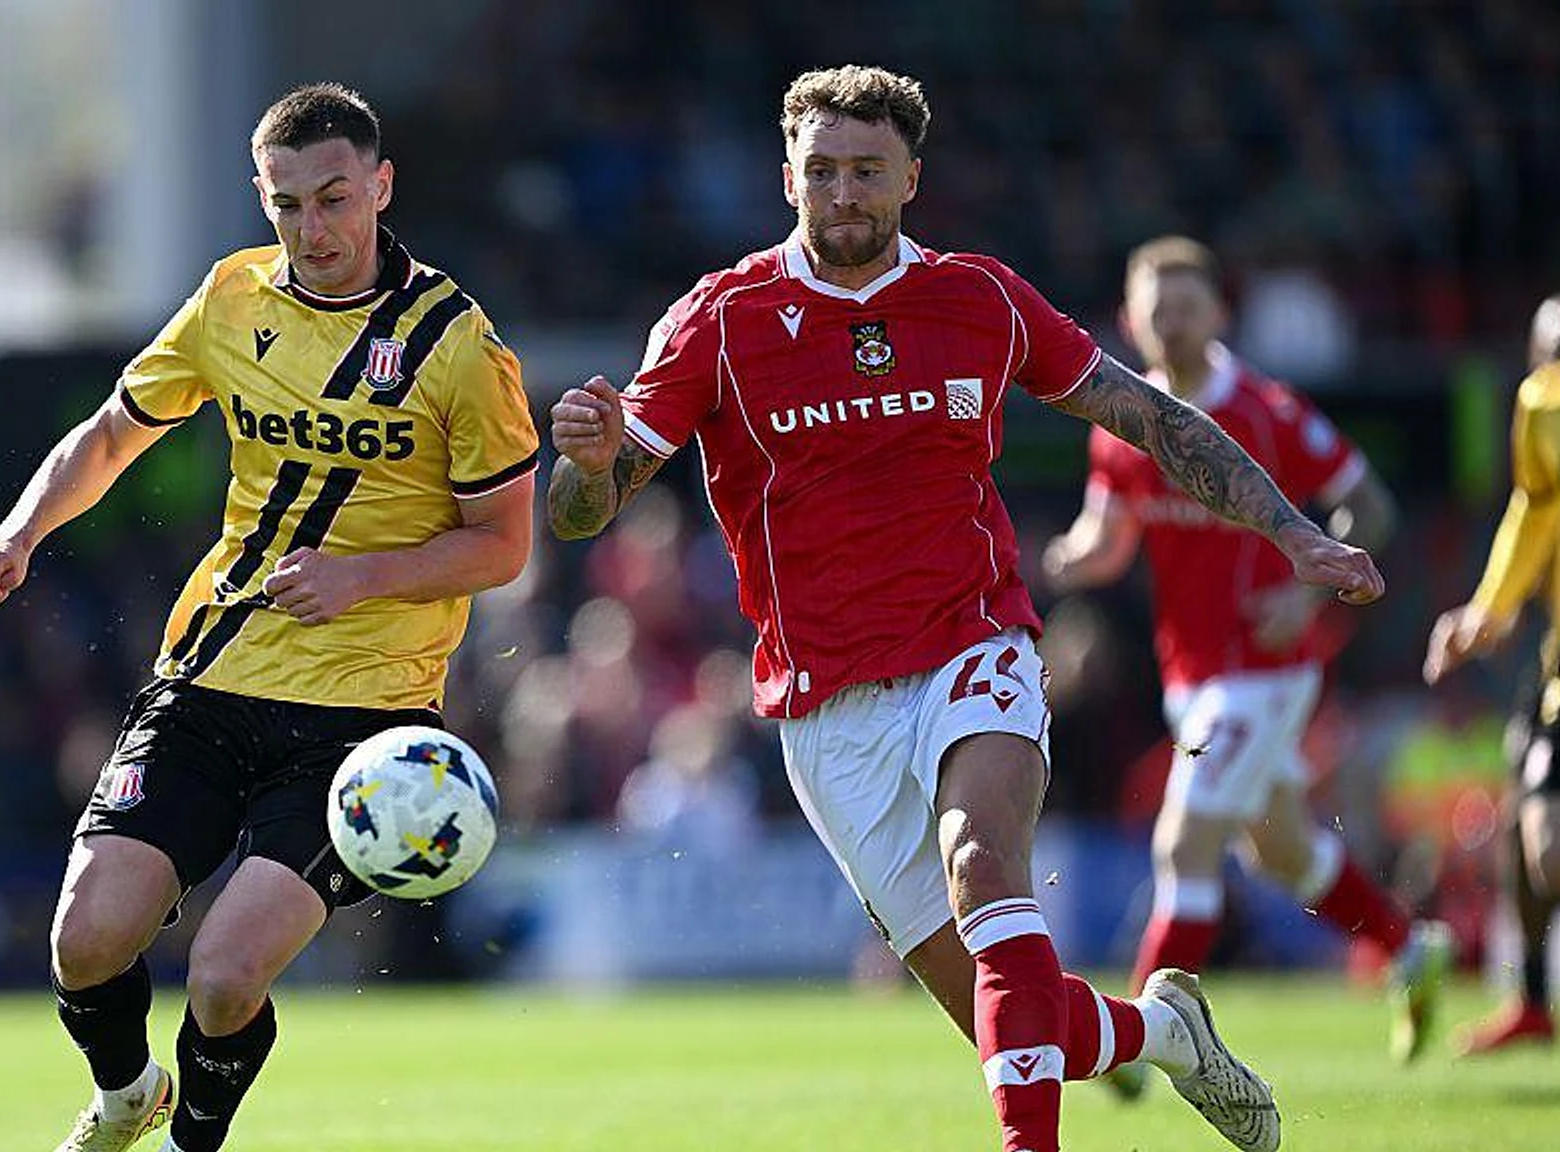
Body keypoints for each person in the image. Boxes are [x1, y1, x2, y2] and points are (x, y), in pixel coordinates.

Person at [549, 65, 1383, 1152]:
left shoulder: (978, 298)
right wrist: (586, 467)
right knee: (1013, 1015)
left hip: (972, 644)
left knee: (983, 866)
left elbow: (1148, 416)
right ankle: (1167, 1034)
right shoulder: (720, 319)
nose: (842, 192)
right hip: (822, 705)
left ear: (911, 178)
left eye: (866, 171)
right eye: (820, 171)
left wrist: (1293, 532)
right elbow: (585, 512)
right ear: (786, 178)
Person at [0, 83, 538, 1152]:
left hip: (361, 719)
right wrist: (20, 534)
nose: (312, 229)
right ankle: (127, 1096)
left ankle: (193, 1141)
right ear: (261, 197)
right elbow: (111, 433)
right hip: (207, 678)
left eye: (334, 199)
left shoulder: (457, 344)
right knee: (85, 942)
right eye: (286, 204)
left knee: (224, 978)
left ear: (381, 186)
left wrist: (360, 579)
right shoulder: (232, 297)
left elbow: (503, 543)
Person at [1041, 237, 1453, 1081]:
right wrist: (1067, 558)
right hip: (1189, 677)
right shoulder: (1123, 420)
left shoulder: (1266, 410)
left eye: (1188, 307)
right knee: (1283, 852)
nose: (1173, 324)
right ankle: (1410, 946)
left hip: (1267, 673)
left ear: (1219, 313)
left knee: (1183, 843)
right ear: (1131, 320)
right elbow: (1108, 538)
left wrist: (1308, 595)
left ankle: (1141, 1038)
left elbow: (1369, 505)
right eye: (1158, 310)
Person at [1427, 216, 1560, 1058]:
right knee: (1553, 855)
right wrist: (1487, 610)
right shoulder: (1551, 404)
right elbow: (1531, 513)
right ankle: (1532, 996)